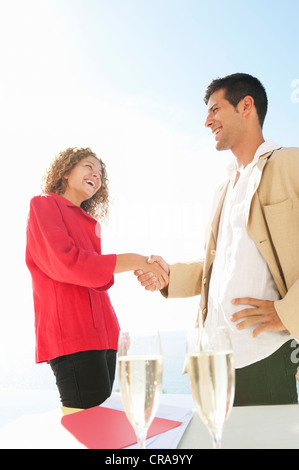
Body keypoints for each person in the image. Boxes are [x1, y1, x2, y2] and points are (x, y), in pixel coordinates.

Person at [135, 73, 299, 406]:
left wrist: (288, 311)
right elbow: (216, 267)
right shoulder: (223, 190)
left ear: (246, 106)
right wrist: (171, 275)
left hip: (266, 356)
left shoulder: (290, 163)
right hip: (212, 360)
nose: (207, 120)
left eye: (214, 109)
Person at [26, 147, 168, 410]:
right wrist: (136, 260)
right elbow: (68, 263)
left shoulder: (88, 221)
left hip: (105, 335)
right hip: (73, 333)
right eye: (89, 167)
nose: (96, 175)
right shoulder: (43, 204)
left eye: (100, 173)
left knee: (103, 425)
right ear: (66, 172)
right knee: (88, 427)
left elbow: (93, 276)